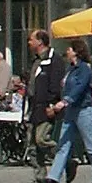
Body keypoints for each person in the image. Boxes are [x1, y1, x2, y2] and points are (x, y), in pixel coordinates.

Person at [28, 39, 92, 183]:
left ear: (76, 52)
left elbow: (79, 88)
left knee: (90, 143)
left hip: (84, 109)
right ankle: (53, 177)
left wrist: (64, 101)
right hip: (71, 111)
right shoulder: (70, 69)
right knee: (63, 144)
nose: (67, 51)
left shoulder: (84, 69)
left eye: (69, 49)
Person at [25, 30, 64, 170]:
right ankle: (40, 176)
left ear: (40, 42)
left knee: (41, 139)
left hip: (46, 107)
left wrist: (52, 104)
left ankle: (66, 157)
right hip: (34, 107)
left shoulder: (54, 60)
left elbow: (55, 84)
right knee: (32, 146)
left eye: (31, 40)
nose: (29, 43)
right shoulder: (36, 60)